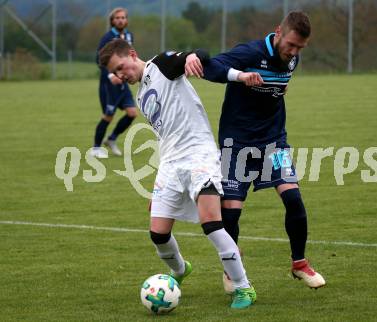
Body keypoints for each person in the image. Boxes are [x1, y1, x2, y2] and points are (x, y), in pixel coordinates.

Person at [98, 38, 262, 309]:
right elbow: (167, 138)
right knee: (158, 234)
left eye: (120, 67)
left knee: (211, 224)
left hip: (199, 155)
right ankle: (181, 269)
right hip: (171, 164)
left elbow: (201, 54)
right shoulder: (141, 95)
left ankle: (244, 288)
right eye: (115, 73)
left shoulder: (161, 65)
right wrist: (157, 184)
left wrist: (190, 58)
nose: (120, 75)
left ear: (132, 54)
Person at [185, 11, 326, 292]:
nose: (294, 52)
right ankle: (231, 268)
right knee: (232, 214)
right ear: (278, 32)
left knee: (294, 200)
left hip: (274, 141)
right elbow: (212, 69)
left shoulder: (292, 58)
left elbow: (277, 89)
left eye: (300, 47)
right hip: (236, 144)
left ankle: (299, 264)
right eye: (291, 45)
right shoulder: (249, 52)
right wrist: (239, 76)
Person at [90, 7, 138, 158]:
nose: (120, 20)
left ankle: (111, 139)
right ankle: (96, 148)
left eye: (123, 17)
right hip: (109, 85)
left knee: (132, 113)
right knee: (108, 116)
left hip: (123, 83)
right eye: (117, 18)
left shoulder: (129, 36)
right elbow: (99, 60)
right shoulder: (107, 38)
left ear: (127, 20)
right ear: (112, 21)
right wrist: (111, 76)